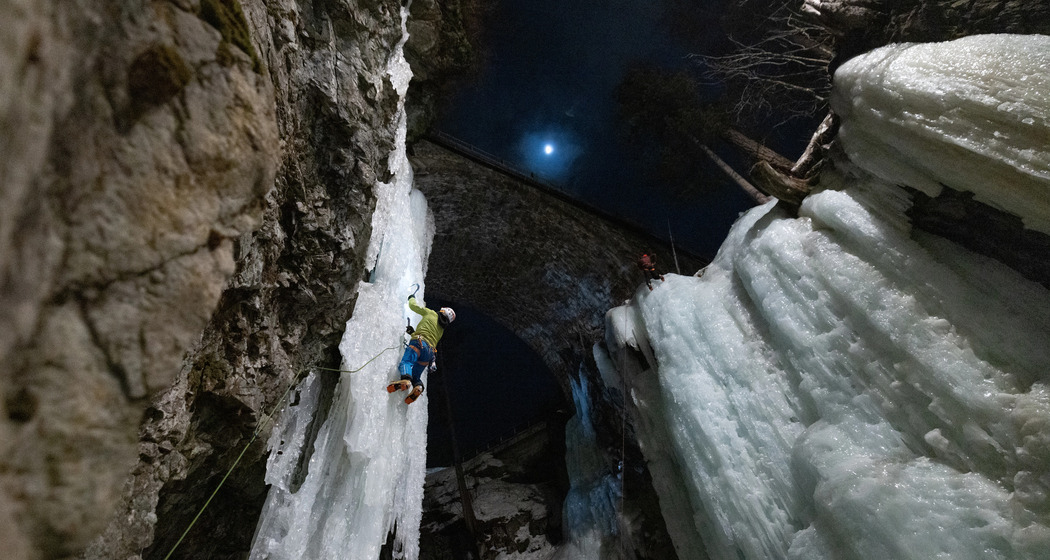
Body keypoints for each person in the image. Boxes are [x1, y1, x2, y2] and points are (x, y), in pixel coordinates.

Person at [387, 294, 456, 404]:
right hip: (428, 354)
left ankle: (406, 380)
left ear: (442, 312)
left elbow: (413, 306)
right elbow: (429, 338)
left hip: (418, 343)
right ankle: (418, 386)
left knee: (406, 362)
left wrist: (411, 298)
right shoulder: (441, 331)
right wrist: (413, 333)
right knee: (416, 375)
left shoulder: (431, 313)